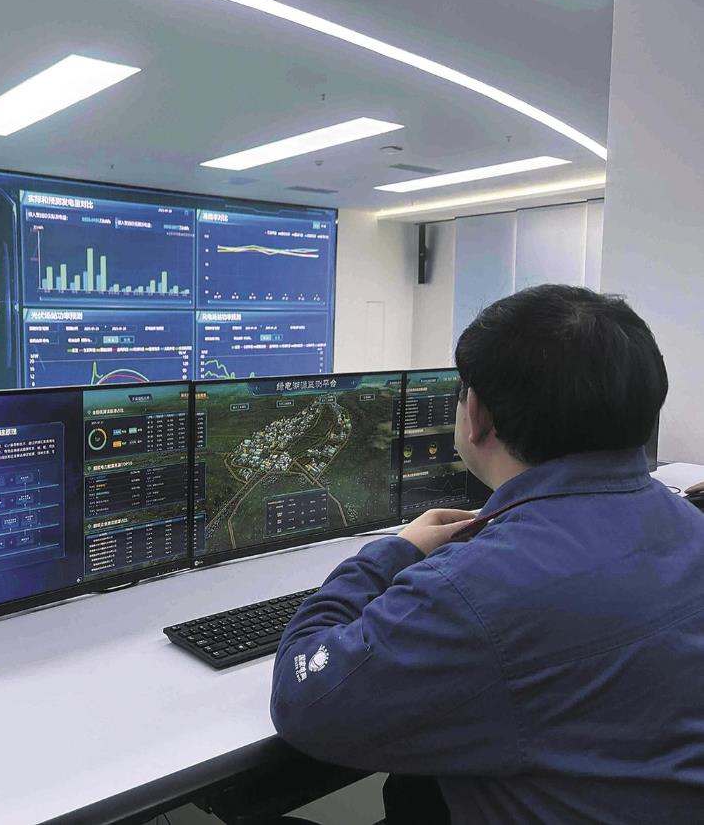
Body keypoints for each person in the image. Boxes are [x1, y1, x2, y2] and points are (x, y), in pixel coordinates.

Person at [270, 284, 704, 824]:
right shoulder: (690, 524)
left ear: (476, 415)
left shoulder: (473, 591)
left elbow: (304, 700)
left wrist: (393, 554)